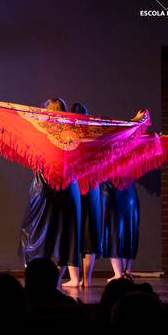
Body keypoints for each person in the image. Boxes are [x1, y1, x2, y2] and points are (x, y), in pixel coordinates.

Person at [18, 98, 81, 287]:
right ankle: (54, 283)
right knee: (63, 236)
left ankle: (40, 283)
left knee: (36, 234)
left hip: (45, 190)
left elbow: (13, 124)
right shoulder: (74, 135)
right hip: (67, 190)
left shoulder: (40, 132)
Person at [72, 102, 103, 287]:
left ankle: (75, 279)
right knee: (89, 231)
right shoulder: (95, 135)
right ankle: (87, 280)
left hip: (77, 185)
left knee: (74, 231)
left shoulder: (68, 137)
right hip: (92, 186)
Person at [102, 181, 140, 280]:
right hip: (129, 190)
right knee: (128, 229)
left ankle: (118, 274)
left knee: (114, 229)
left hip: (114, 189)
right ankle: (127, 271)